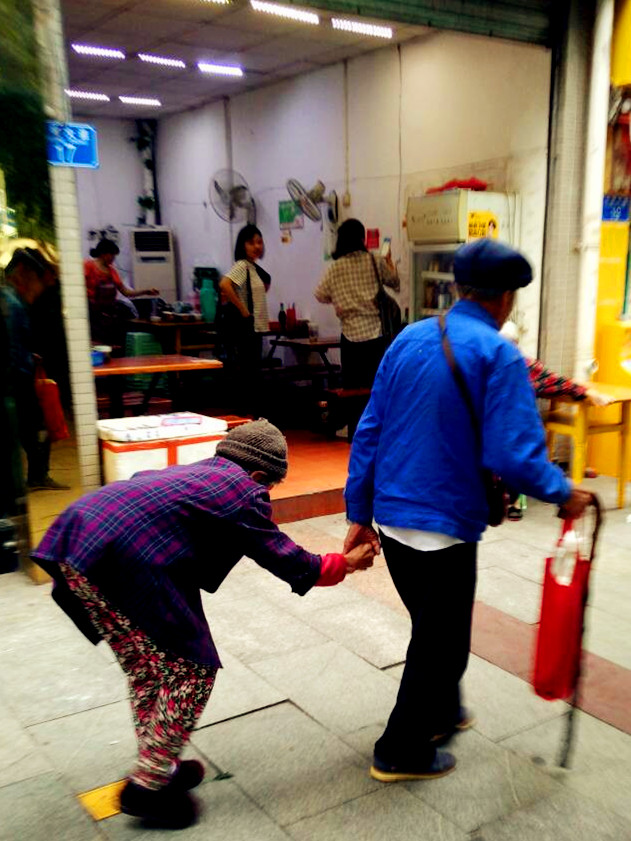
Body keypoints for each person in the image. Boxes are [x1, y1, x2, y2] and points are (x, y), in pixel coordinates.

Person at [32, 419, 375, 829]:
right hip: (122, 564)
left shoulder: (200, 473)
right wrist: (345, 564)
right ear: (259, 475)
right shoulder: (242, 492)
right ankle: (147, 787)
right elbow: (289, 560)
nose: (266, 495)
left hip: (76, 548)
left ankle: (160, 765)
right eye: (270, 486)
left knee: (149, 669)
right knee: (191, 671)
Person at [343, 238, 592, 784]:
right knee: (441, 643)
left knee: (435, 628)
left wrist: (358, 513)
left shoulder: (408, 338)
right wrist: (564, 491)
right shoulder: (498, 354)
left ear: (458, 288)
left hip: (393, 518)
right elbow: (514, 455)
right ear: (505, 299)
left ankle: (444, 711)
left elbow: (369, 429)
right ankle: (400, 750)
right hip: (444, 525)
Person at [500, 320, 613, 519]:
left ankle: (514, 499)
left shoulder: (523, 365)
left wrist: (587, 392)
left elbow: (557, 382)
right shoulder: (492, 362)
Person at [0, 247, 69, 491]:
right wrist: (26, 368)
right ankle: (36, 477)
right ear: (23, 274)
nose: (40, 289)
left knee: (32, 428)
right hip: (19, 380)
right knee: (34, 427)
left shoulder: (12, 301)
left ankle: (37, 476)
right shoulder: (12, 304)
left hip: (22, 375)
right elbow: (12, 351)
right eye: (39, 281)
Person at [314, 219, 399, 391]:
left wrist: (338, 299)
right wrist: (389, 261)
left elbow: (320, 295)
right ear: (362, 238)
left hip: (350, 338)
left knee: (352, 389)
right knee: (376, 387)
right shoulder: (375, 260)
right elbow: (394, 282)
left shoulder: (335, 268)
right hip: (375, 335)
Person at [218, 225, 270, 416]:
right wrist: (244, 310)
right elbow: (224, 284)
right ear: (243, 245)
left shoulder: (253, 268)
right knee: (249, 372)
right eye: (251, 242)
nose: (256, 246)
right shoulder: (242, 265)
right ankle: (246, 415)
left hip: (256, 327)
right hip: (247, 327)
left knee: (252, 372)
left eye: (259, 242)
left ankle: (251, 414)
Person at [84, 238, 158, 347]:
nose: (113, 258)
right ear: (104, 253)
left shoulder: (112, 271)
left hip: (108, 315)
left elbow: (126, 292)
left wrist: (145, 291)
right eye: (112, 255)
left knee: (112, 344)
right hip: (92, 314)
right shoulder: (88, 266)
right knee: (96, 344)